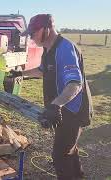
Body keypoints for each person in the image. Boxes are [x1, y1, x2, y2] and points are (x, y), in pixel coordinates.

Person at [10, 14, 93, 179]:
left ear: (46, 29)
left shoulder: (65, 48)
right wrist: (21, 73)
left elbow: (75, 84)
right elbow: (42, 70)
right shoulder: (48, 49)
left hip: (72, 110)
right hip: (60, 108)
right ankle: (78, 176)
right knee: (69, 149)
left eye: (33, 33)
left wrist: (56, 106)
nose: (31, 38)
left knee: (60, 155)